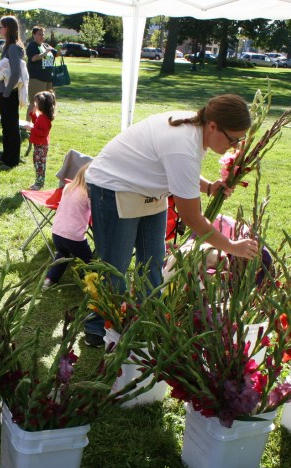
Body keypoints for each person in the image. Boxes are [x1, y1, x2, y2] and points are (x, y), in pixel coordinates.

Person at [81, 94, 259, 347]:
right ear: (213, 126)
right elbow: (192, 217)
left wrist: (208, 187)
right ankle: (98, 327)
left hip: (148, 190)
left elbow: (174, 169)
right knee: (115, 266)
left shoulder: (195, 131)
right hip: (113, 188)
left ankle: (144, 321)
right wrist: (231, 247)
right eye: (233, 139)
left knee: (153, 261)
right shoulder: (183, 142)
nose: (234, 146)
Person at [44, 163, 93, 287]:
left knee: (62, 255)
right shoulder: (88, 194)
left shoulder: (68, 187)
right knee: (88, 260)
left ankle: (50, 280)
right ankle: (92, 282)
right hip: (74, 237)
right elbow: (96, 212)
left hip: (57, 232)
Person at [0, 15, 26, 168]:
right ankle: (5, 156)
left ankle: (12, 159)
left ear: (8, 28)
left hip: (9, 93)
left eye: (1, 27)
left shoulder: (14, 48)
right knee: (6, 126)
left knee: (11, 126)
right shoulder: (8, 46)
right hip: (4, 93)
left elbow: (15, 73)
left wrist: (7, 92)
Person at [25, 91, 55, 190]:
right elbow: (37, 124)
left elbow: (43, 133)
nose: (34, 104)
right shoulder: (41, 117)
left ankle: (39, 183)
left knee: (40, 165)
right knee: (37, 163)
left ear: (42, 104)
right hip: (38, 145)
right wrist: (33, 115)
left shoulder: (44, 119)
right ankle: (38, 182)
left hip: (41, 146)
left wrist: (31, 129)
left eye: (36, 103)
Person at [25, 26, 55, 117]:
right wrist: (45, 53)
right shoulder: (32, 46)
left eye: (43, 34)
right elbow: (34, 58)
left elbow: (55, 53)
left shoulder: (45, 45)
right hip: (36, 78)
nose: (42, 36)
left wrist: (59, 50)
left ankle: (42, 125)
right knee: (35, 102)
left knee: (47, 103)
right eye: (39, 34)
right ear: (33, 35)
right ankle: (28, 126)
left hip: (48, 78)